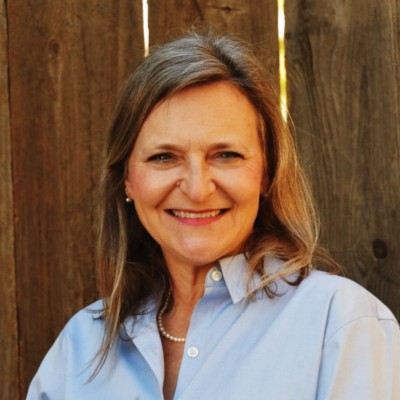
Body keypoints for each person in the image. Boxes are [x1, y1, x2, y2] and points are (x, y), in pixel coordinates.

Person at [27, 32, 399, 400]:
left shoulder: (340, 324)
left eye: (226, 155)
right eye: (163, 157)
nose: (197, 188)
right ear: (128, 179)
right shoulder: (80, 347)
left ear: (266, 174)